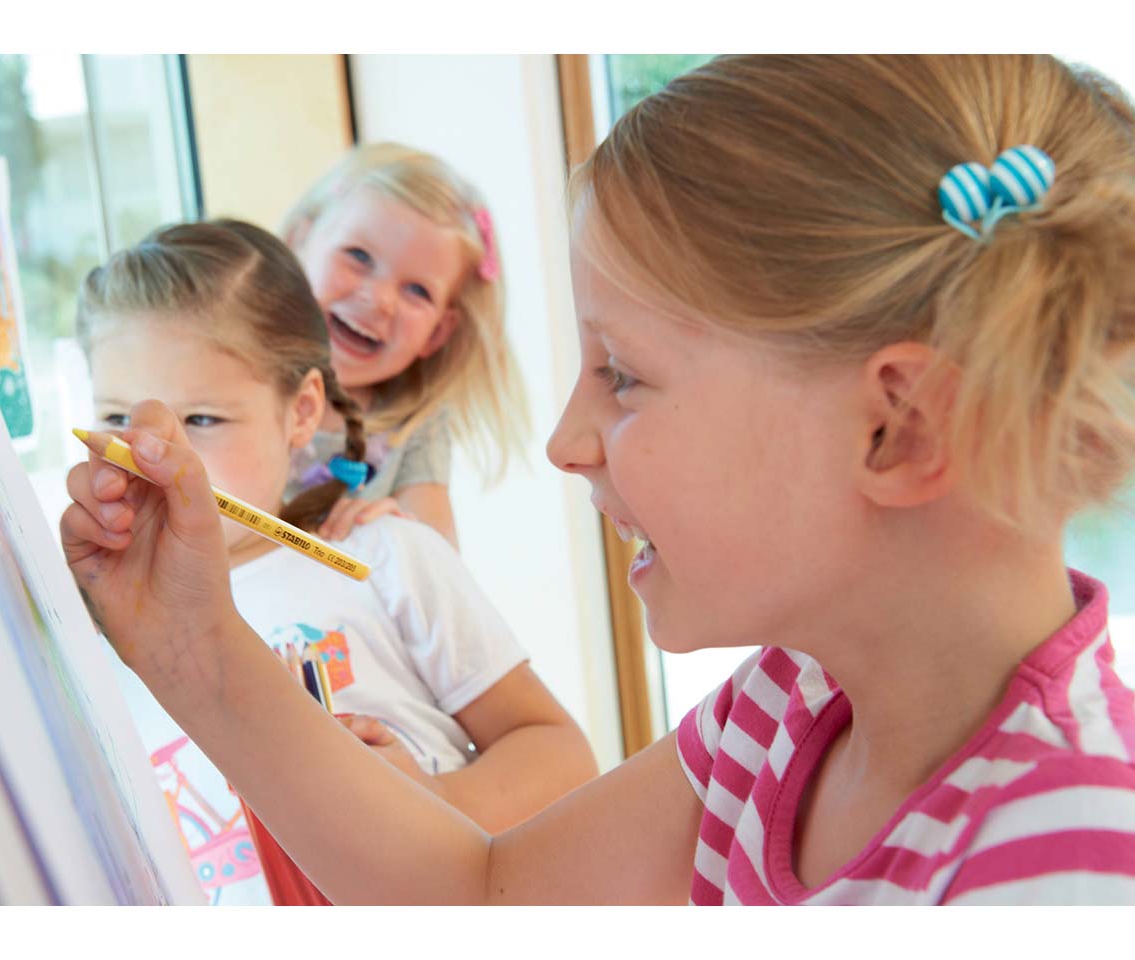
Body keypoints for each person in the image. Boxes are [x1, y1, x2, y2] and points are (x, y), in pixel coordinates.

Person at [63, 56, 1135, 904]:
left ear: (898, 428)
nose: (565, 442)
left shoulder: (1071, 864)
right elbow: (481, 894)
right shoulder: (792, 704)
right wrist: (191, 644)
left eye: (620, 375)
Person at [74, 219, 595, 904]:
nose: (157, 455)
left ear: (301, 413)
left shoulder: (383, 556)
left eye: (201, 420)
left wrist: (432, 804)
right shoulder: (101, 629)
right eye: (118, 420)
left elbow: (562, 755)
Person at [279, 143, 529, 549]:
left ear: (437, 333)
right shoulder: (231, 370)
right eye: (358, 256)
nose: (379, 300)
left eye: (417, 291)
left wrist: (398, 536)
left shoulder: (415, 426)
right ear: (299, 241)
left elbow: (438, 561)